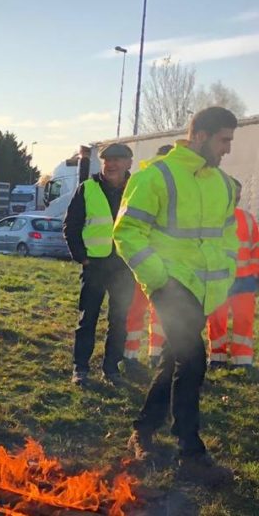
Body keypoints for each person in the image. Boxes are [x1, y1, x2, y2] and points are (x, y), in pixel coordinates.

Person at [115, 107, 239, 485]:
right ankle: (191, 452)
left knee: (174, 362)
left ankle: (143, 431)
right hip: (171, 286)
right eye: (224, 140)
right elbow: (127, 231)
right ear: (199, 136)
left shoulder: (223, 183)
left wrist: (227, 270)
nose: (228, 149)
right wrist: (160, 279)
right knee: (193, 360)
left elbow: (226, 233)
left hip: (203, 289)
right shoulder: (156, 176)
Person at [63, 143, 136, 386]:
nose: (111, 164)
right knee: (87, 319)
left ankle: (111, 369)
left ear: (129, 163)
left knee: (119, 320)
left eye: (117, 159)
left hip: (125, 266)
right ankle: (80, 369)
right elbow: (71, 226)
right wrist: (81, 257)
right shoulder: (88, 188)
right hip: (95, 265)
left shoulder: (137, 190)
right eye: (107, 160)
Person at [123, 144, 175, 369]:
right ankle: (151, 354)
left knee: (138, 310)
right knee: (157, 311)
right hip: (157, 262)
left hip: (141, 260)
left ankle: (133, 355)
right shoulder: (167, 182)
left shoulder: (143, 179)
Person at [207, 179, 258, 369]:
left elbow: (256, 249)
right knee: (217, 319)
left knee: (244, 320)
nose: (236, 197)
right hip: (219, 279)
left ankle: (243, 360)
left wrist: (255, 275)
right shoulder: (211, 220)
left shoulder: (247, 218)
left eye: (238, 194)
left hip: (244, 280)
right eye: (232, 193)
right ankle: (217, 357)